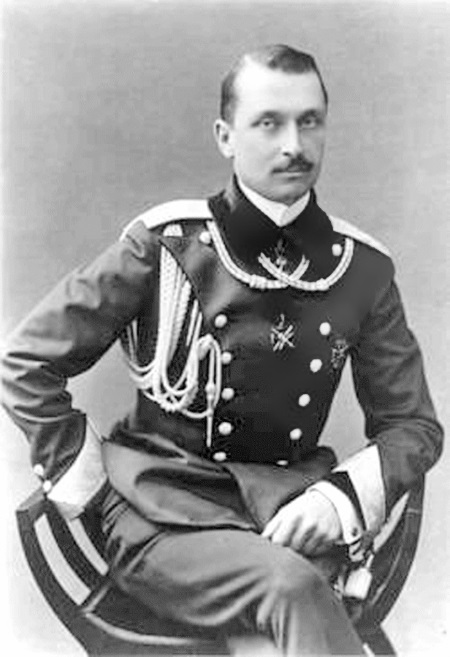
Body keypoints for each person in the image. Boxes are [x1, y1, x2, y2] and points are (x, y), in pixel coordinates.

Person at [1, 44, 443, 655]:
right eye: (269, 123)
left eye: (310, 121)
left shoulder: (361, 269)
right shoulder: (168, 244)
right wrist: (90, 483)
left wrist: (338, 498)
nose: (294, 145)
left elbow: (413, 425)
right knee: (290, 590)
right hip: (162, 514)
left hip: (288, 516)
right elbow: (24, 362)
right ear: (225, 137)